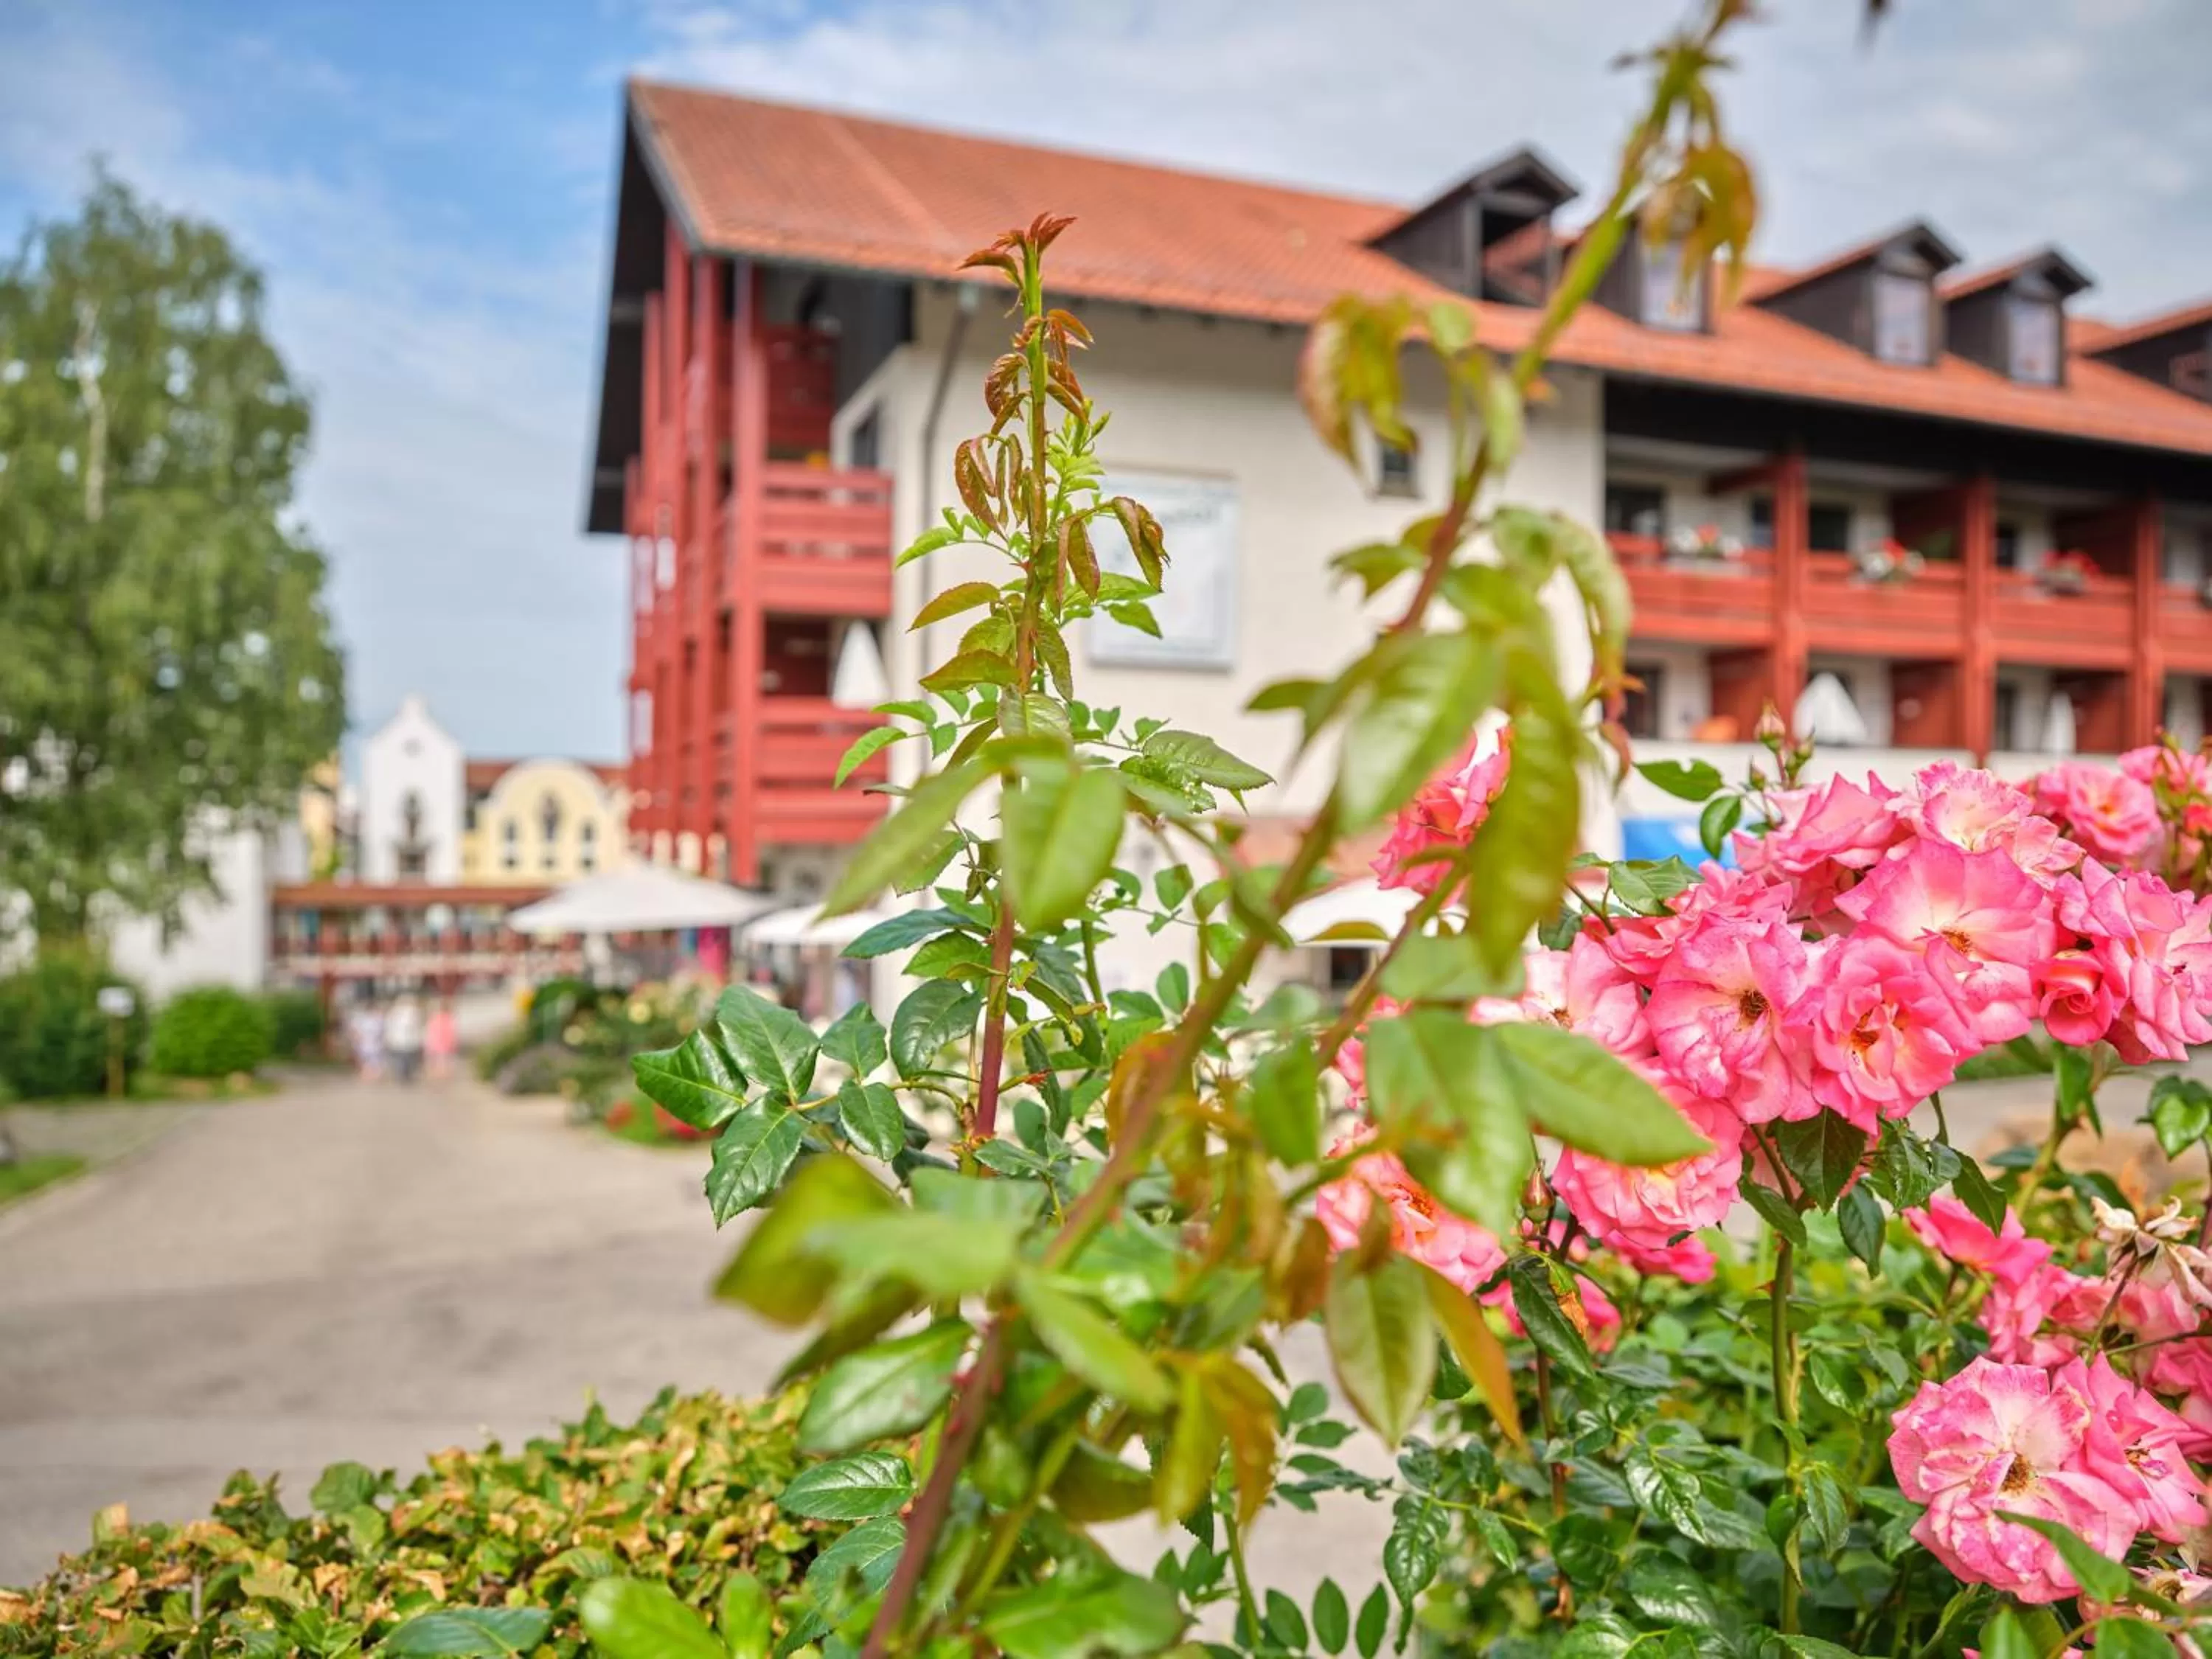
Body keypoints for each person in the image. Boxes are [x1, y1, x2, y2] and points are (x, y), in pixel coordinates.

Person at [384, 990, 425, 1085]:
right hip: (405, 1041)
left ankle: (403, 1075)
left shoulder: (395, 1012)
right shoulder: (412, 1012)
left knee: (403, 1060)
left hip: (403, 1041)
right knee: (405, 1060)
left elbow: (389, 1026)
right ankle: (404, 1076)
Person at [346, 998, 385, 1082]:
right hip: (368, 1044)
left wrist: (355, 1038)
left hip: (370, 1045)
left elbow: (354, 1031)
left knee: (371, 1061)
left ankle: (371, 1075)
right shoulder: (372, 1020)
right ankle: (370, 1075)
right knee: (370, 1061)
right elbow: (354, 1031)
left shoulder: (374, 1019)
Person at [425, 998, 459, 1083]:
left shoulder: (435, 1018)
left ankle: (438, 1076)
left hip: (437, 1043)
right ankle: (442, 1076)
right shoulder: (449, 1019)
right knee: (444, 1060)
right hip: (444, 1043)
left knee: (438, 1060)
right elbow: (453, 1032)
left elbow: (430, 1031)